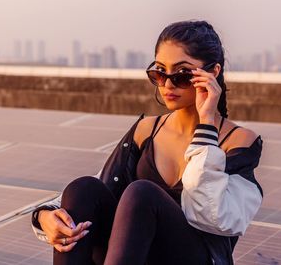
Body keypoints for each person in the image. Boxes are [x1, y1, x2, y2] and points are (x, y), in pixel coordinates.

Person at [31, 20, 263, 265]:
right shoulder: (147, 130)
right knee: (83, 189)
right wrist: (43, 216)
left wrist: (206, 125)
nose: (168, 84)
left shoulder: (239, 141)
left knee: (142, 194)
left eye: (182, 75)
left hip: (194, 257)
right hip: (132, 254)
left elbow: (214, 218)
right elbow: (102, 185)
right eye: (160, 72)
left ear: (213, 73)